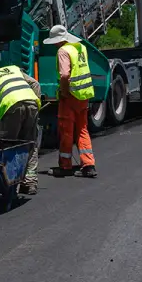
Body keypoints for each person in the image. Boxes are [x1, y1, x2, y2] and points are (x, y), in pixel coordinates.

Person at [43, 25, 97, 177]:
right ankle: (88, 165)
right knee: (82, 129)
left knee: (66, 131)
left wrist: (64, 92)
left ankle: (65, 166)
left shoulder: (63, 51)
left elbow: (65, 75)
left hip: (71, 95)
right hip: (84, 94)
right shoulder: (80, 47)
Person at [0, 64, 42, 195]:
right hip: (31, 102)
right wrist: (37, 107)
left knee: (8, 145)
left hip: (12, 106)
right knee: (30, 143)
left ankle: (10, 185)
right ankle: (30, 182)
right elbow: (36, 84)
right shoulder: (13, 69)